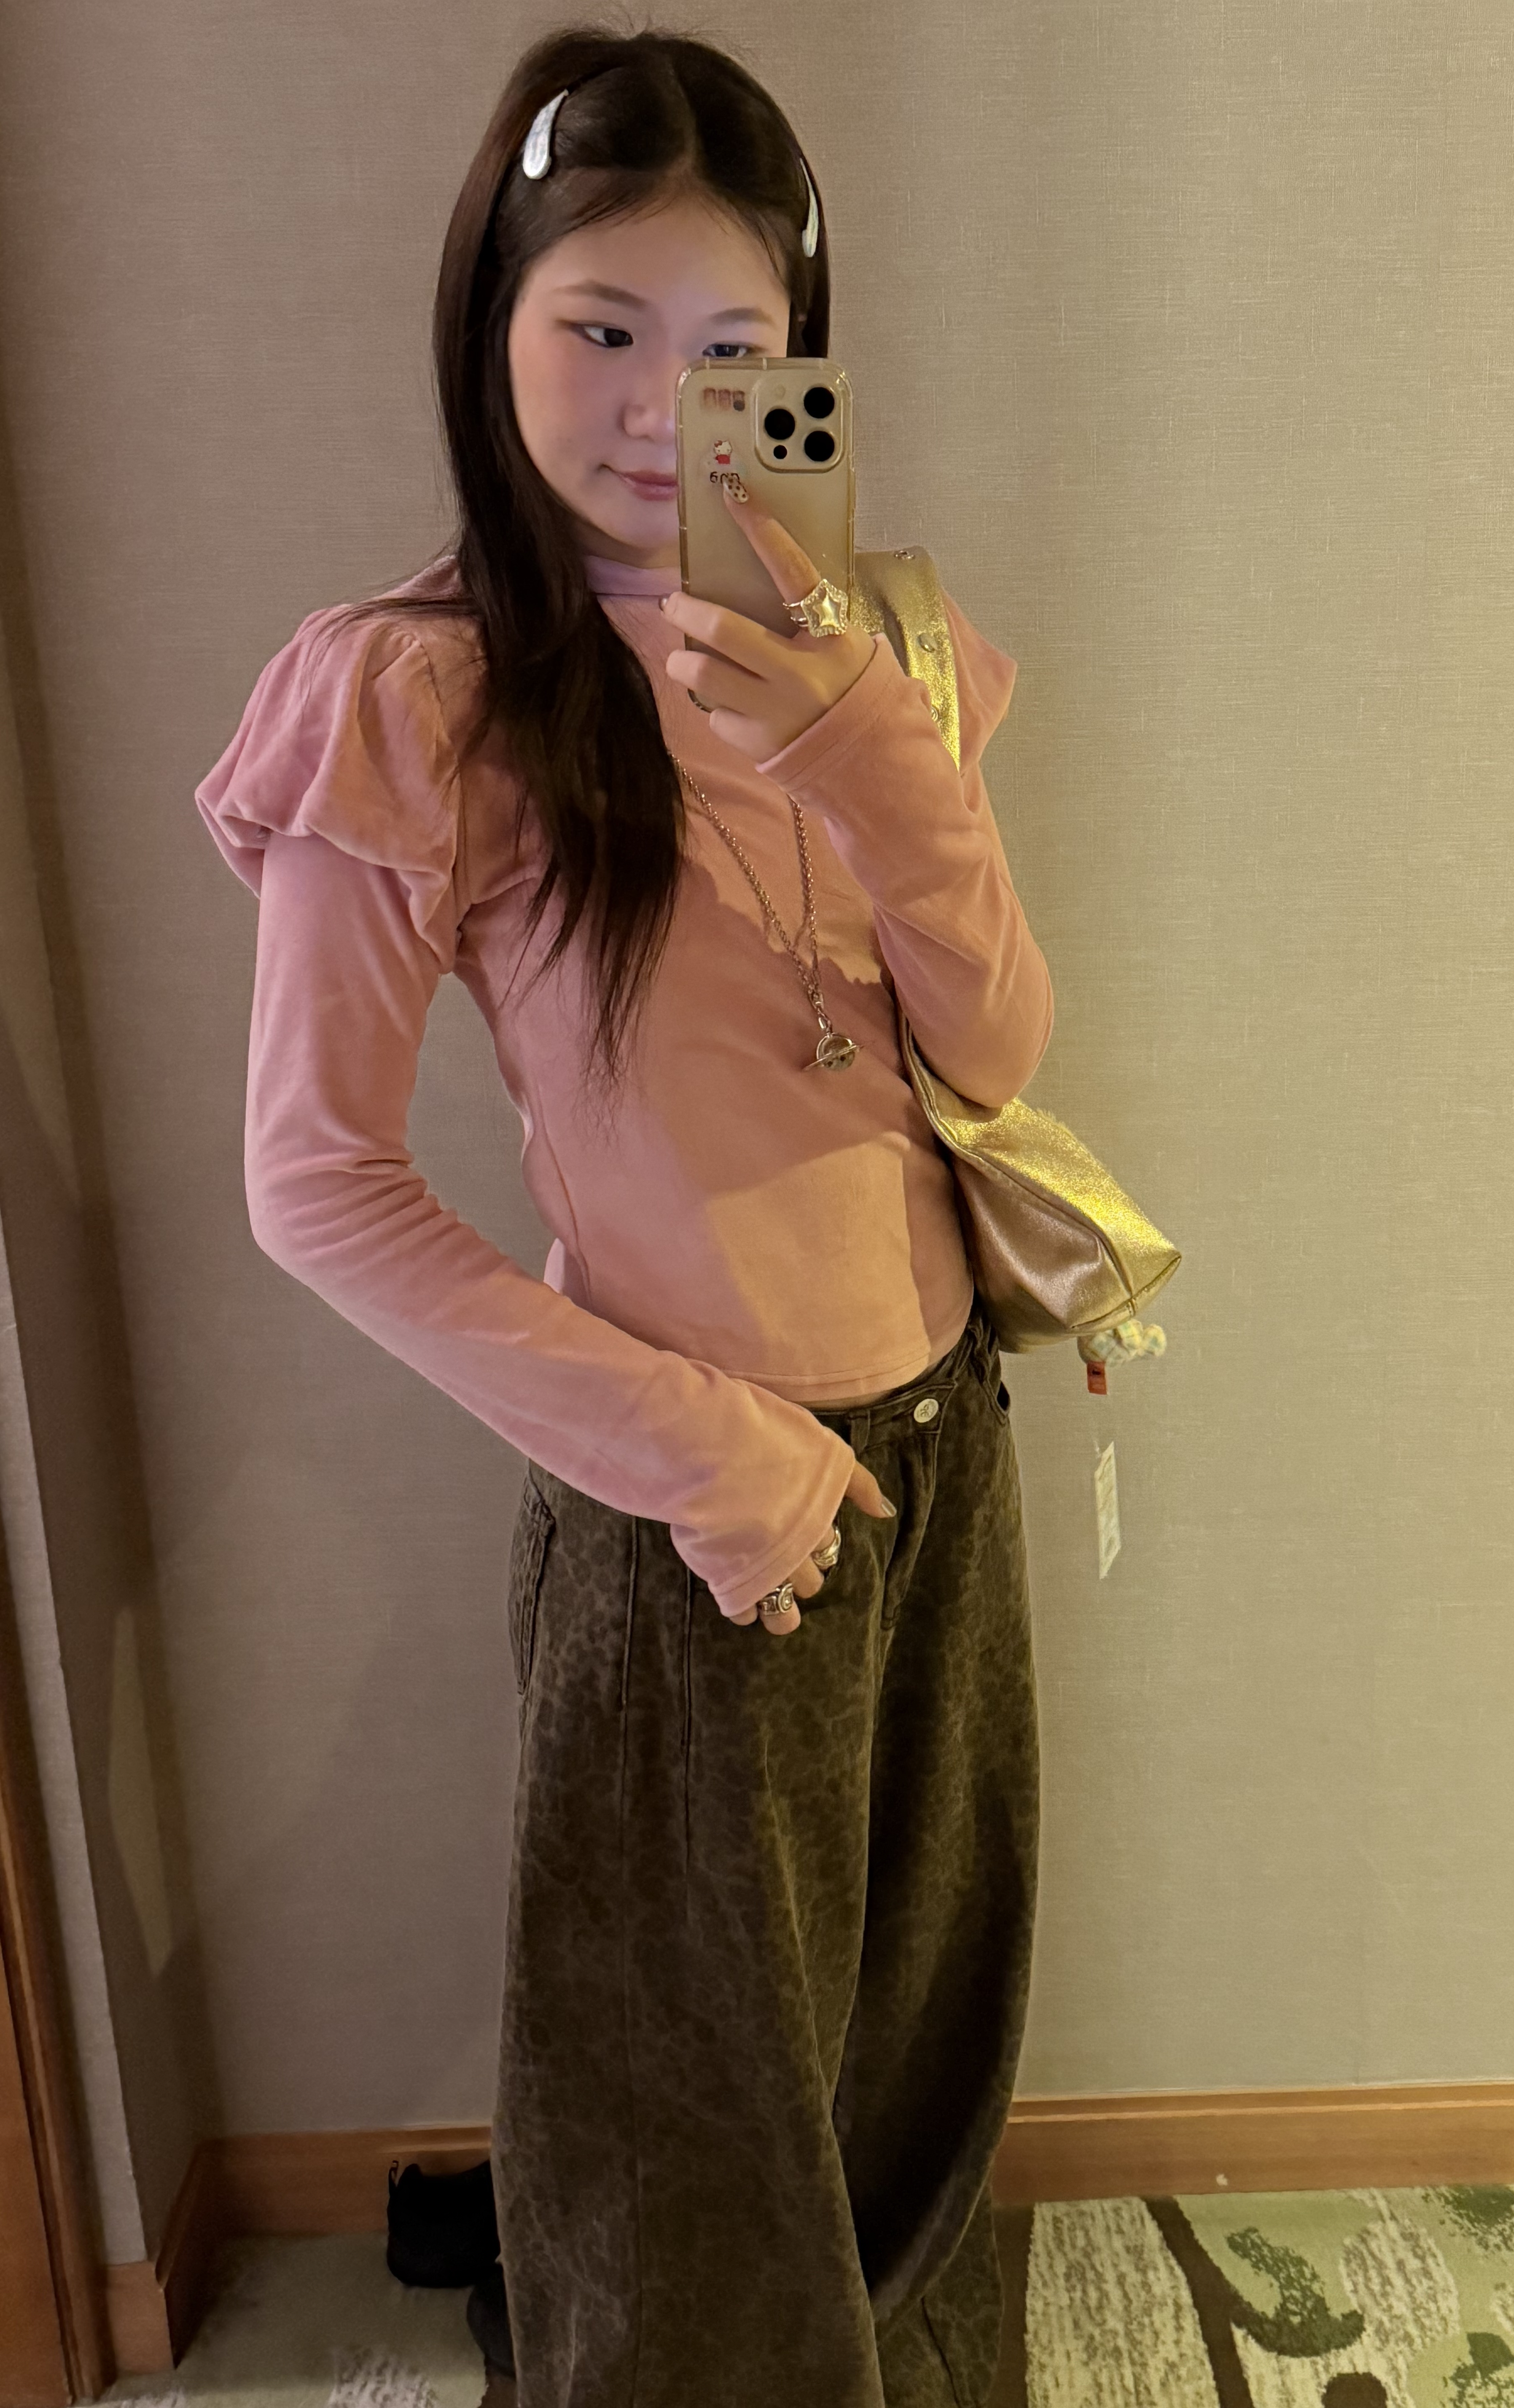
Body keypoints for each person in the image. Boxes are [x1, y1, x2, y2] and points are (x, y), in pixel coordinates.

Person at [195, 24, 1049, 2408]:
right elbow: (314, 1182)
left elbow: (997, 1056)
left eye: (738, 346)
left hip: (945, 1446)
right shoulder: (422, 694)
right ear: (492, 320)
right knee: (686, 2122)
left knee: (919, 2039)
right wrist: (710, 1458)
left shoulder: (883, 652)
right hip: (697, 1515)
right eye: (603, 327)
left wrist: (876, 759)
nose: (673, 404)